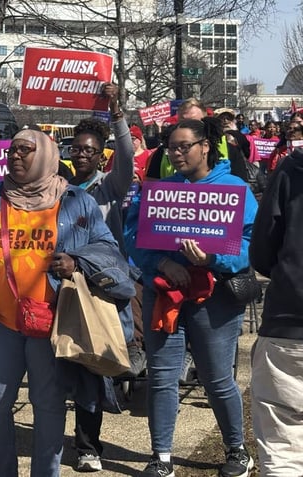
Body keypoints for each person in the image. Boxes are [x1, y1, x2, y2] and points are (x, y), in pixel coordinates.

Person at [0, 129, 130, 477]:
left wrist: (77, 261)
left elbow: (110, 250)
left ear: (47, 157)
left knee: (49, 407)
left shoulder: (75, 200)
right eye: (12, 150)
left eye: (25, 150)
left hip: (51, 326)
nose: (16, 156)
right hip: (0, 323)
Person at [125, 117, 257, 477]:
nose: (177, 152)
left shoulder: (235, 191)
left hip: (214, 299)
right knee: (162, 377)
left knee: (216, 378)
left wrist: (213, 259)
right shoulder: (160, 190)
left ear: (205, 147)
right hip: (164, 294)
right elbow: (134, 236)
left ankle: (236, 450)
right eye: (172, 147)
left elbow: (250, 246)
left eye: (185, 146)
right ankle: (161, 456)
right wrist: (164, 262)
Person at [67, 83, 136, 472]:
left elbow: (127, 159)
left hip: (100, 290)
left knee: (93, 366)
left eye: (90, 150)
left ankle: (88, 447)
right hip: (62, 287)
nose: (81, 155)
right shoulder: (57, 187)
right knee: (68, 366)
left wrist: (118, 114)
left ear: (100, 155)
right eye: (77, 148)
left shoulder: (109, 186)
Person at [249, 146, 303, 476]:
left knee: (283, 448)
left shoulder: (290, 170)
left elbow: (262, 250)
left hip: (288, 323)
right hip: (287, 329)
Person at [145, 98, 248, 183]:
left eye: (194, 122)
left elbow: (241, 195)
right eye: (183, 122)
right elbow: (149, 193)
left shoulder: (229, 149)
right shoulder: (163, 152)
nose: (188, 127)